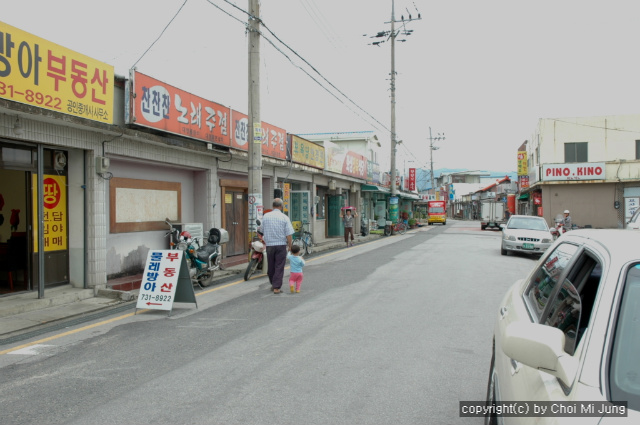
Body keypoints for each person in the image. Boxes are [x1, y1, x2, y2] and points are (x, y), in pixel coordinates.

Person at [261, 198, 294, 294]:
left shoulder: (266, 216)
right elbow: (289, 234)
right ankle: (276, 287)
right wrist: (290, 245)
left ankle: (273, 283)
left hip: (270, 245)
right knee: (279, 266)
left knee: (271, 266)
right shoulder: (284, 217)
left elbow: (261, 229)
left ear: (272, 206)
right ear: (281, 206)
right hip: (281, 245)